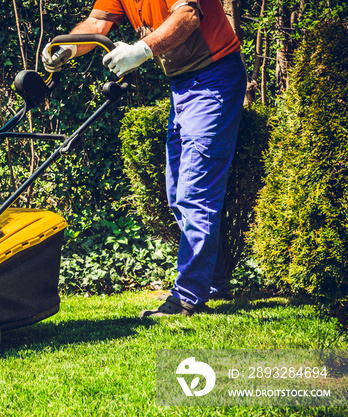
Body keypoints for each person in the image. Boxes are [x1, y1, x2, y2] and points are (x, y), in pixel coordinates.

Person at [42, 1, 247, 317]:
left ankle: (187, 298)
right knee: (178, 193)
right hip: (183, 84)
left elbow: (188, 15)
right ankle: (214, 282)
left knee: (196, 195)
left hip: (215, 76)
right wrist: (65, 48)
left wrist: (141, 50)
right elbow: (97, 25)